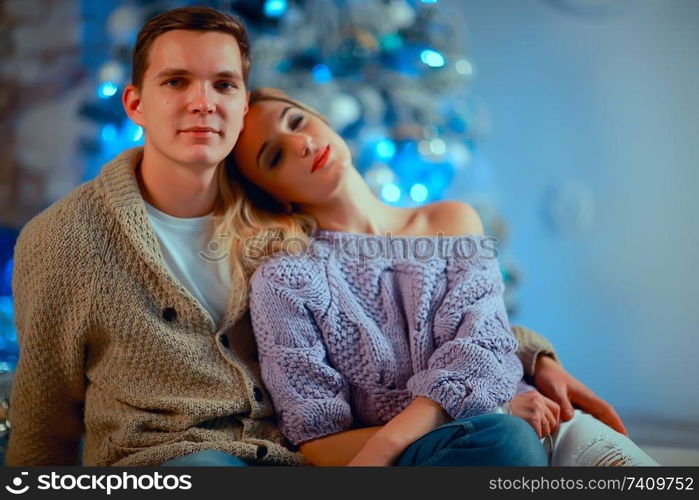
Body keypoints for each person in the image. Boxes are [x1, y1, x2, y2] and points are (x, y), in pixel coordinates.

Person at [4, 5, 622, 467]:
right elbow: (42, 411)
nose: (202, 102)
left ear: (243, 101)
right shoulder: (68, 240)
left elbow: (400, 313)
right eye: (176, 83)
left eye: (222, 84)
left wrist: (528, 354)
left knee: (504, 444)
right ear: (136, 103)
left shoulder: (273, 223)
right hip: (175, 461)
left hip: (290, 455)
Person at [228, 88, 659, 466]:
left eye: (298, 121)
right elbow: (318, 443)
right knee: (504, 445)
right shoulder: (284, 280)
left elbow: (484, 346)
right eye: (276, 155)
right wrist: (479, 417)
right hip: (476, 445)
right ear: (273, 196)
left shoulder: (451, 219)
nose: (301, 142)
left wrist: (392, 440)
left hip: (544, 416)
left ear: (323, 120)